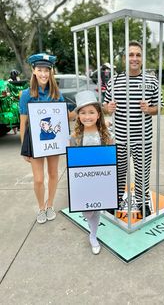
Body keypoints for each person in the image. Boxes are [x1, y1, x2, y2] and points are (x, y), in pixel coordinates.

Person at [103, 40, 164, 217]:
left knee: (142, 172)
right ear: (124, 58)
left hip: (143, 138)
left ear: (142, 58)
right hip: (120, 137)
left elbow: (159, 106)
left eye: (138, 55)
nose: (134, 58)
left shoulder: (151, 80)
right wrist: (108, 108)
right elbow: (105, 106)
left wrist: (149, 109)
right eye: (131, 54)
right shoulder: (114, 81)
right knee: (119, 171)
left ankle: (143, 202)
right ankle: (115, 199)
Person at [19, 53, 66, 224]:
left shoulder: (56, 93)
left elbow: (64, 116)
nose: (44, 74)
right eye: (40, 70)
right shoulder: (26, 94)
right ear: (33, 71)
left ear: (51, 72)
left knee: (53, 174)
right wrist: (24, 149)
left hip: (53, 139)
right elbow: (23, 122)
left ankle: (50, 205)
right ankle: (41, 207)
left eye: (47, 70)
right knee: (38, 179)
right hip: (35, 141)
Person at [70, 90, 114, 254]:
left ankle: (93, 235)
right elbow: (73, 162)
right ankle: (92, 229)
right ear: (78, 116)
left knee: (98, 206)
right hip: (84, 180)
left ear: (98, 115)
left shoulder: (106, 136)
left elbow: (111, 160)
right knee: (88, 212)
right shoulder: (75, 137)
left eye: (91, 112)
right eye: (83, 112)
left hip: (101, 179)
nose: (87, 116)